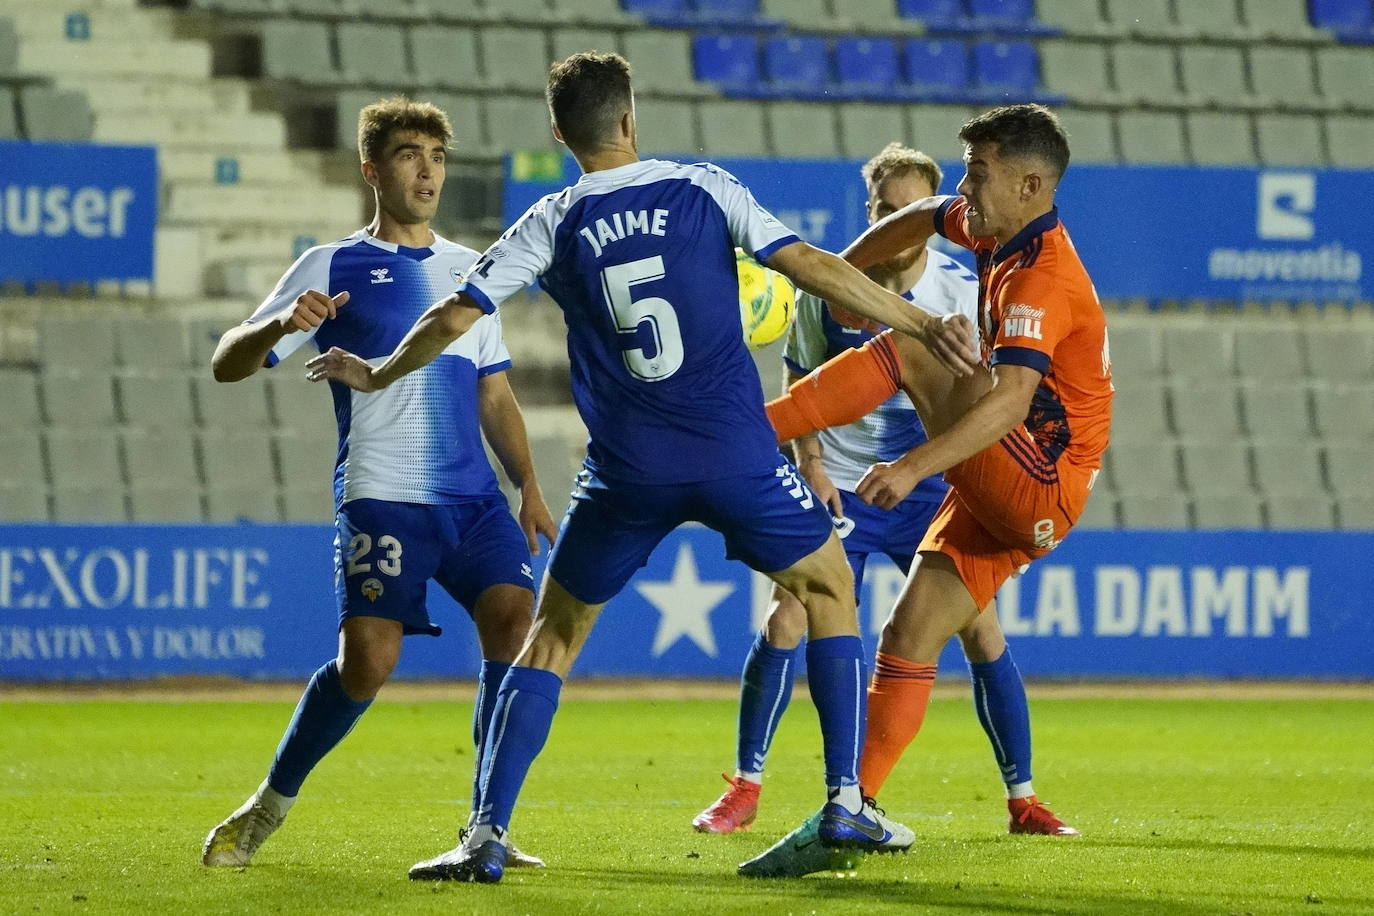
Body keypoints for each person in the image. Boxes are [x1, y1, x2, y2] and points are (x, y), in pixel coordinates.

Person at [306, 52, 979, 884]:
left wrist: (376, 373)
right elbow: (809, 264)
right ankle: (846, 797)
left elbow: (452, 316)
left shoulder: (551, 221)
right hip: (735, 454)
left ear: (560, 134)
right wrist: (917, 321)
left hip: (627, 474)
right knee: (830, 586)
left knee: (550, 639)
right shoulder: (704, 187)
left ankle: (485, 832)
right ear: (630, 119)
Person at [744, 104, 1110, 877]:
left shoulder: (1046, 276)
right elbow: (918, 213)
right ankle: (854, 811)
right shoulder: (996, 228)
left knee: (915, 344)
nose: (966, 186)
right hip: (1023, 494)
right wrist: (843, 282)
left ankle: (742, 430)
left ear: (1032, 183)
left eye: (980, 171)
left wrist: (912, 467)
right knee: (909, 638)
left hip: (1035, 479)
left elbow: (1009, 401)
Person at [200, 98, 558, 870]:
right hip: (382, 492)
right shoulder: (330, 264)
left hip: (472, 500)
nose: (427, 168)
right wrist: (276, 326)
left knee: (515, 621)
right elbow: (227, 361)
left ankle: (485, 827)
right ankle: (269, 805)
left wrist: (526, 484)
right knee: (368, 660)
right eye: (407, 153)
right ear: (372, 169)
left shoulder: (473, 270)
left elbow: (493, 391)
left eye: (436, 153)